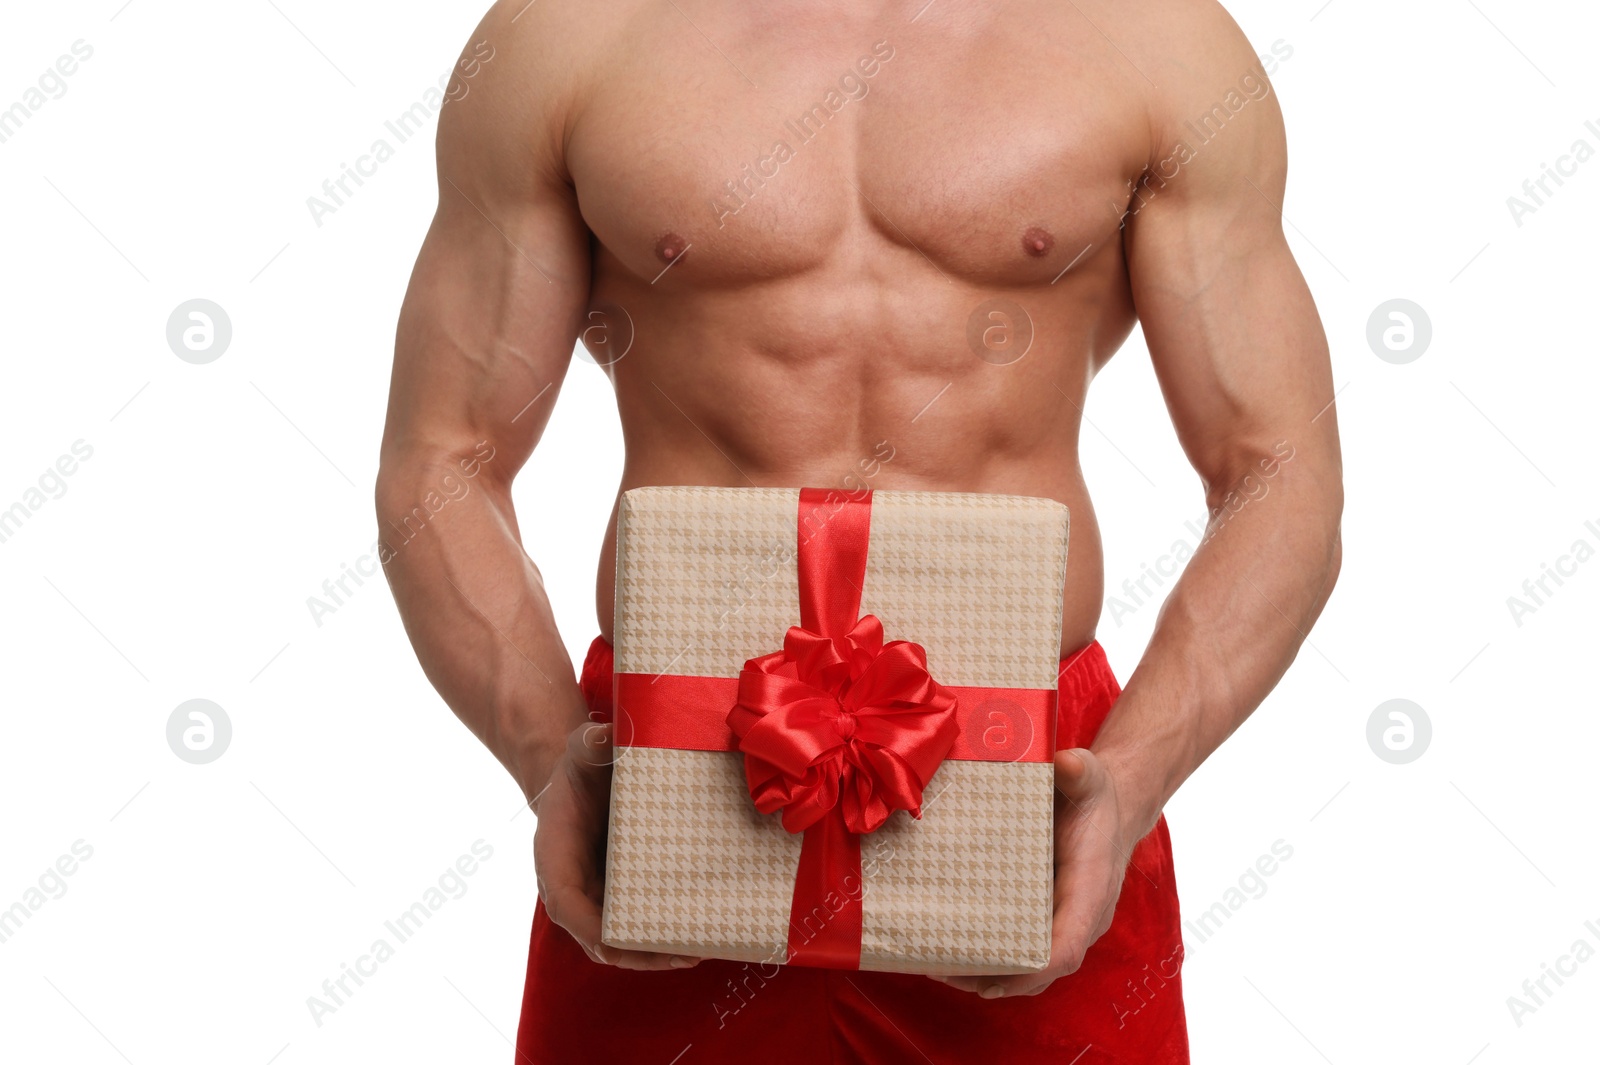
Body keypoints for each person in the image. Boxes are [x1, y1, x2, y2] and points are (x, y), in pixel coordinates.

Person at [376, 0, 1342, 1060]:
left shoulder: (1152, 37)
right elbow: (444, 459)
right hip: (666, 767)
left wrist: (1134, 784)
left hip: (1039, 784)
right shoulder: (569, 31)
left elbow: (1277, 473)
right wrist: (543, 754)